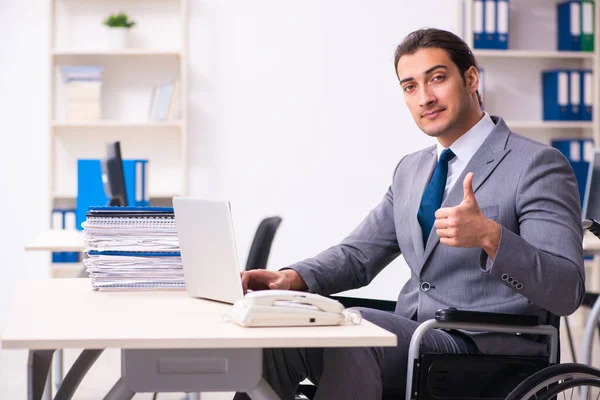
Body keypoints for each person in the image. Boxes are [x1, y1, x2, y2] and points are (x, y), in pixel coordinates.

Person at [234, 28, 586, 400]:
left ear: (470, 78)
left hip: (487, 351)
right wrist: (291, 280)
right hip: (417, 337)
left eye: (436, 78)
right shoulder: (411, 170)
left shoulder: (537, 164)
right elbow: (358, 255)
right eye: (410, 87)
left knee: (360, 329)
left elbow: (566, 290)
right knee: (275, 332)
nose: (425, 98)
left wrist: (491, 238)